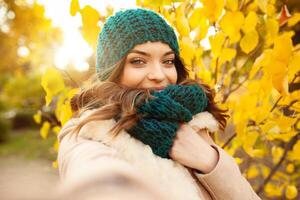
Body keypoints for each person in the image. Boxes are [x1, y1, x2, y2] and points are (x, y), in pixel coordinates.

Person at [57, 8, 261, 200]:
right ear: (113, 71)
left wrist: (209, 161)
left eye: (168, 61)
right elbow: (96, 178)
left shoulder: (192, 121)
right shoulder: (88, 132)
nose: (159, 75)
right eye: (138, 61)